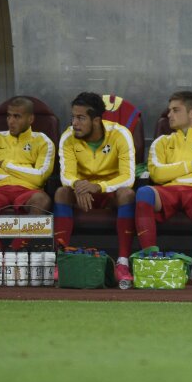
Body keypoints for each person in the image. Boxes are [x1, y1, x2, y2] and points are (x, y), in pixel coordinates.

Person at [136, 90, 192, 285]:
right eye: (169, 110)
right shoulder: (162, 141)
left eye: (175, 110)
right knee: (144, 193)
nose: (169, 115)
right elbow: (156, 174)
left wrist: (173, 175)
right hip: (166, 192)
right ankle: (150, 262)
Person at [53, 92, 138, 288]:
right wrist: (78, 185)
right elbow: (66, 175)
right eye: (73, 117)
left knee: (127, 194)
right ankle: (61, 259)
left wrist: (99, 187)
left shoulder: (121, 134)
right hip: (81, 194)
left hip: (110, 193)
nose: (74, 123)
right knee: (61, 192)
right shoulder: (68, 137)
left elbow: (128, 177)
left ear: (97, 120)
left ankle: (122, 263)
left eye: (81, 118)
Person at [0, 96, 52, 268]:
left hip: (29, 191)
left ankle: (14, 251)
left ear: (30, 119)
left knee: (42, 201)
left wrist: (5, 165)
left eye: (17, 116)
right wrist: (27, 172)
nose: (11, 121)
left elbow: (40, 177)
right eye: (9, 116)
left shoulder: (43, 141)